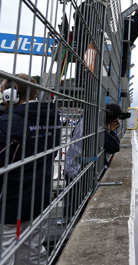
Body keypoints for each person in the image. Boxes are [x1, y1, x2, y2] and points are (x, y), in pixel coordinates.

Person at [0, 74, 61, 265]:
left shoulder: (8, 124)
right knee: (33, 251)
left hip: (9, 204)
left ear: (12, 95)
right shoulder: (53, 118)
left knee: (7, 253)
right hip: (39, 197)